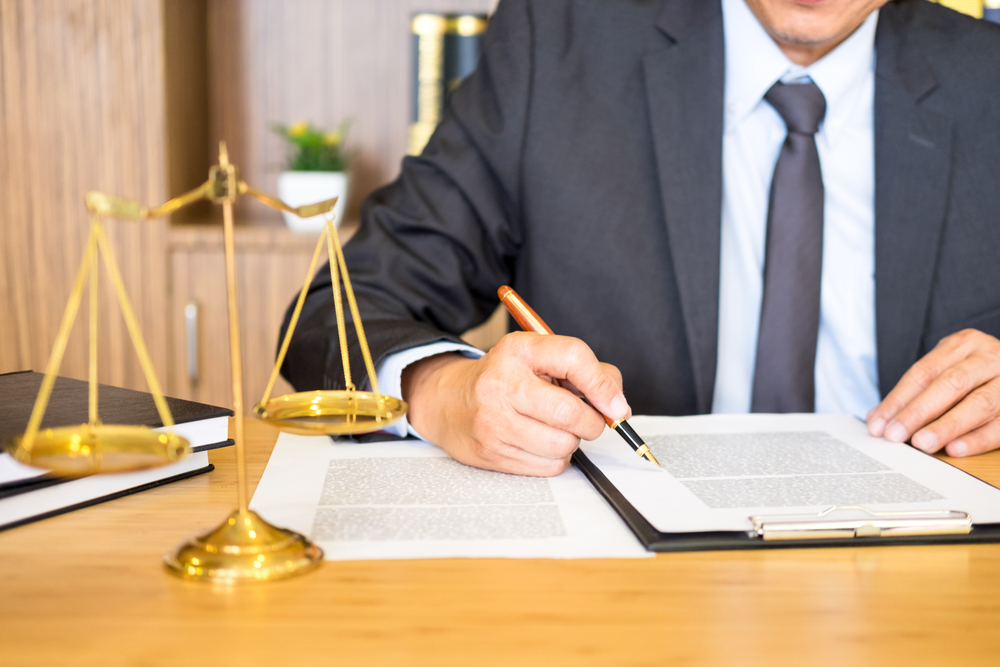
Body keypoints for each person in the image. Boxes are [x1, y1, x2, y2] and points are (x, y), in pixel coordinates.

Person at [281, 0, 1000, 476]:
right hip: (627, 571)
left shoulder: (987, 75)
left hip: (927, 570)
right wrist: (442, 394)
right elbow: (337, 309)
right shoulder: (554, 42)